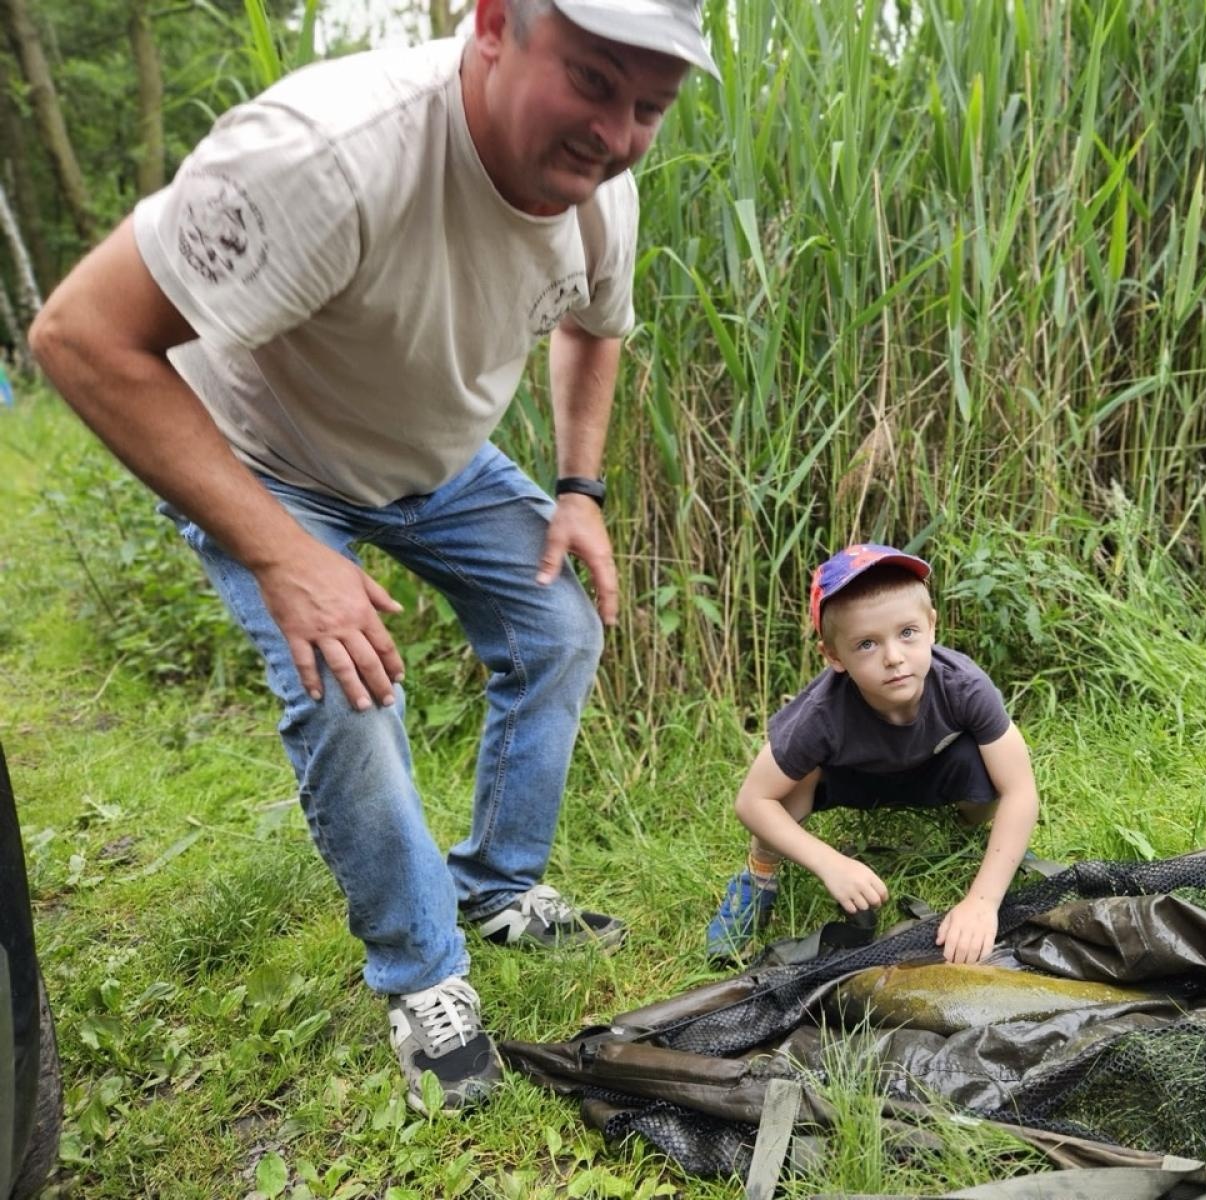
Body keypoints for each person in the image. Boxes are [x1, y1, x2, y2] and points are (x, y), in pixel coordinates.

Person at [28, 0, 718, 1111]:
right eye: (593, 81)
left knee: (557, 625)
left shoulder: (604, 188)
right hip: (267, 460)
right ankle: (424, 977)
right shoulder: (326, 152)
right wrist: (284, 557)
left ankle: (495, 886)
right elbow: (78, 335)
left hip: (432, 458)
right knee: (346, 684)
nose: (618, 131)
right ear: (494, 25)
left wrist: (580, 488)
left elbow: (595, 326)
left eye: (650, 105)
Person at [706, 544, 1040, 963]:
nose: (894, 658)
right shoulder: (820, 714)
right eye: (867, 644)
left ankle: (971, 832)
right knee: (790, 780)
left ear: (931, 627)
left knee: (992, 772)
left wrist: (982, 903)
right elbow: (752, 801)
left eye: (907, 633)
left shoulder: (963, 686)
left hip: (929, 769)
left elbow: (1021, 791)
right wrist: (831, 863)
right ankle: (760, 874)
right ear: (833, 656)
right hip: (849, 777)